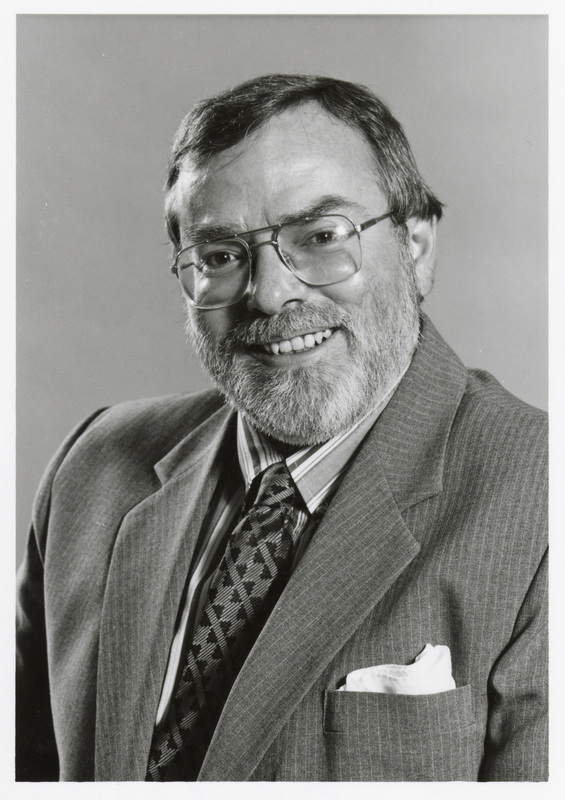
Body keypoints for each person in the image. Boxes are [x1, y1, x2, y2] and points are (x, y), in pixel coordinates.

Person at [16, 73, 547, 782]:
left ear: (416, 247)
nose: (270, 292)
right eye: (221, 255)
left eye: (321, 235)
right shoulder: (92, 468)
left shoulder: (541, 498)